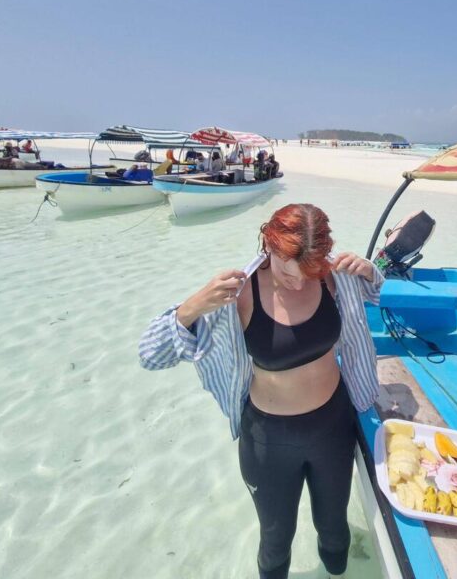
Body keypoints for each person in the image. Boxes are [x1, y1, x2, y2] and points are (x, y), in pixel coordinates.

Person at [139, 204, 382, 579]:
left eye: (308, 274)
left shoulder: (333, 276)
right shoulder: (237, 294)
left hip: (333, 427)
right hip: (268, 440)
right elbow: (150, 355)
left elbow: (376, 292)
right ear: (269, 246)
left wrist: (370, 271)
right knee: (275, 541)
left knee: (335, 532)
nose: (299, 283)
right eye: (288, 272)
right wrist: (191, 307)